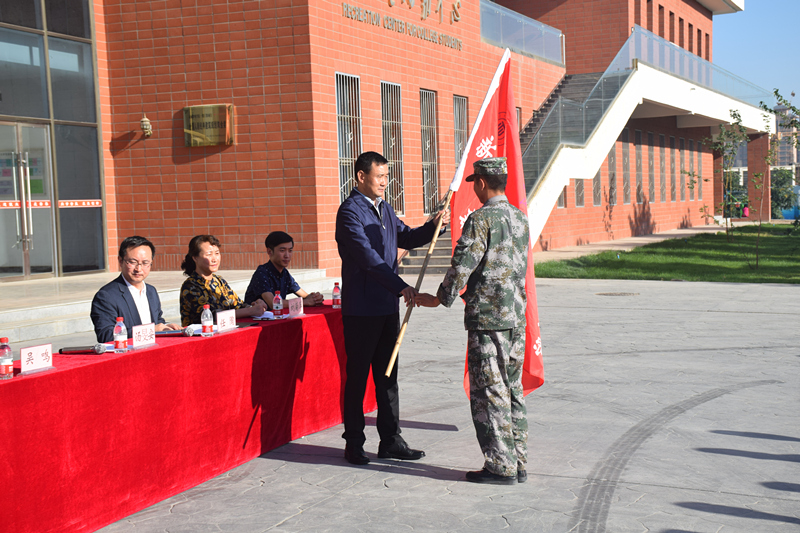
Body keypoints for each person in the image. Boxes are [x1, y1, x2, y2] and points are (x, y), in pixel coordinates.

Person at [416, 157, 529, 485]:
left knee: (490, 391)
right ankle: (518, 459)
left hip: (489, 319)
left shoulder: (480, 219)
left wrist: (439, 297)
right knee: (512, 389)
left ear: (480, 182)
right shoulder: (519, 217)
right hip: (515, 318)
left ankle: (500, 465)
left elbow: (463, 263)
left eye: (475, 184)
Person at [335, 150, 450, 465]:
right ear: (361, 176)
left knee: (388, 378)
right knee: (358, 379)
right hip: (361, 310)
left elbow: (408, 238)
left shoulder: (384, 209)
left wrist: (434, 225)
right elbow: (368, 259)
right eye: (380, 176)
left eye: (387, 176)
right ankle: (354, 443)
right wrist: (401, 286)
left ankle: (391, 441)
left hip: (387, 308)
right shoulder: (350, 213)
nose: (385, 182)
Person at [90, 236, 180, 342]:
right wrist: (150, 330)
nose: (138, 269)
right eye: (133, 262)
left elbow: (157, 322)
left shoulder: (151, 291)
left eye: (145, 263)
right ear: (120, 261)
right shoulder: (106, 296)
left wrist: (166, 327)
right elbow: (106, 336)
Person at [179, 235, 268, 327]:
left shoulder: (219, 281)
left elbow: (238, 305)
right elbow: (211, 316)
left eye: (217, 253)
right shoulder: (190, 286)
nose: (214, 259)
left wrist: (255, 305)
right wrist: (250, 311)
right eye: (209, 254)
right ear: (195, 258)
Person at [244, 231, 324, 309]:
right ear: (269, 251)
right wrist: (305, 302)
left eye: (290, 250)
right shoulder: (261, 272)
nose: (287, 255)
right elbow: (273, 304)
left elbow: (304, 296)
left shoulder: (285, 273)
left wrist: (315, 298)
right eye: (282, 250)